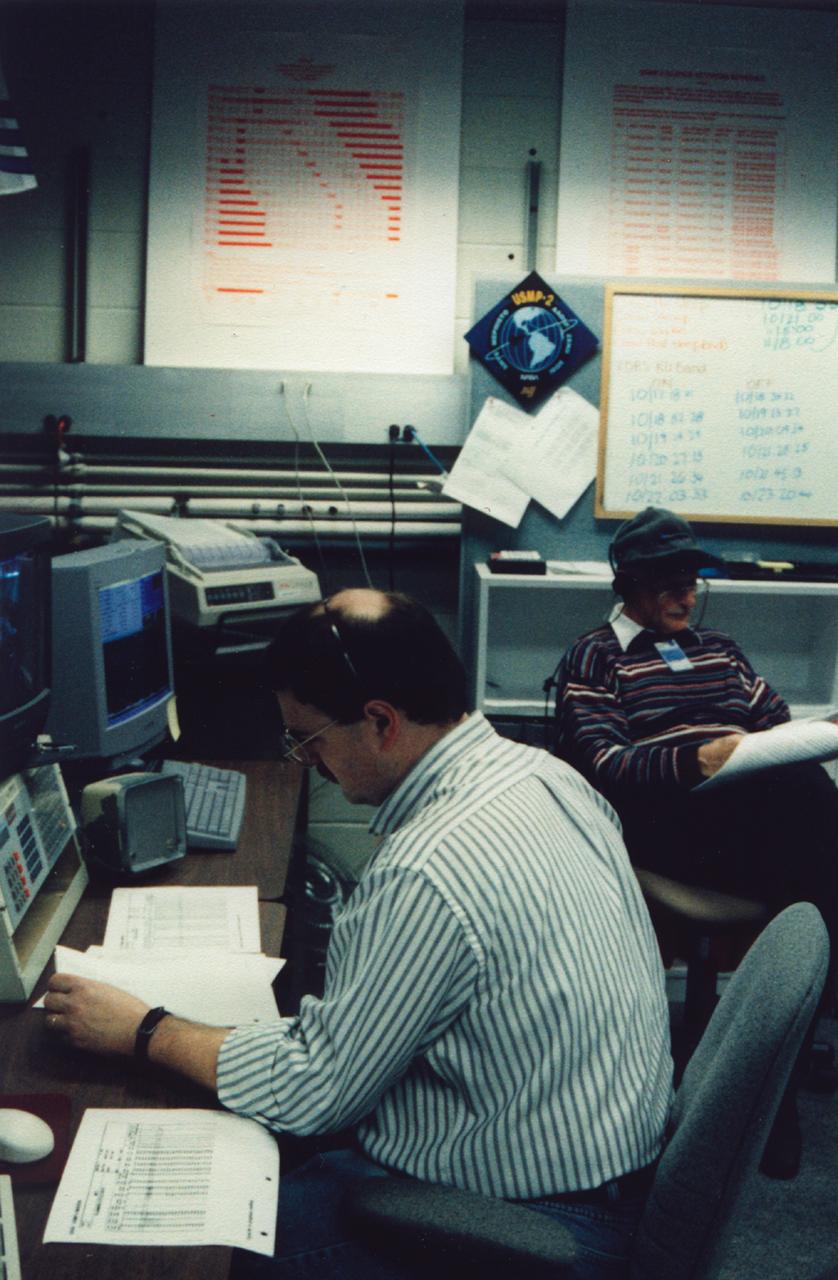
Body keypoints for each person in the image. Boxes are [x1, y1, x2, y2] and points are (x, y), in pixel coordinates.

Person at [45, 588, 673, 1280]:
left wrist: (145, 1030)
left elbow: (315, 1092)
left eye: (308, 740)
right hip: (599, 1163)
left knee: (172, 1256)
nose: (306, 761)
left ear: (379, 722)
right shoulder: (549, 777)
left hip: (527, 1223)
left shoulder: (426, 869)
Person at [553, 507, 838, 1175]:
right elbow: (604, 764)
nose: (685, 597)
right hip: (666, 825)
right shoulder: (594, 657)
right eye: (668, 585)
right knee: (816, 847)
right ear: (628, 584)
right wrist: (696, 760)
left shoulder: (721, 649)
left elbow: (775, 725)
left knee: (806, 817)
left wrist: (804, 738)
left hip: (753, 823)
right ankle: (779, 1087)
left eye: (691, 582)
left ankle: (771, 1094)